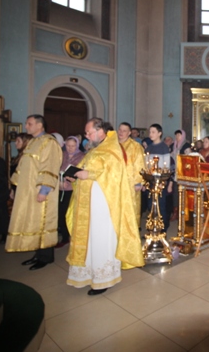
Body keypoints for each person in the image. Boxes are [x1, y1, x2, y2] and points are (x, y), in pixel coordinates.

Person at [66, 118, 144, 295]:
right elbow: (84, 167)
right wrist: (75, 175)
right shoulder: (95, 149)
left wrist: (89, 174)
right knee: (89, 237)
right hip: (87, 202)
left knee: (101, 238)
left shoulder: (112, 148)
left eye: (89, 132)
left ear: (100, 131)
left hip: (103, 203)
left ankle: (103, 279)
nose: (86, 136)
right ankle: (86, 275)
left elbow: (113, 173)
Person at [6, 114, 62, 271]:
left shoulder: (49, 142)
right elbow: (23, 167)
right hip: (28, 190)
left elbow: (50, 166)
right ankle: (37, 254)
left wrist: (44, 190)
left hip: (40, 190)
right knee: (33, 221)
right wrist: (15, 188)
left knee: (43, 222)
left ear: (39, 125)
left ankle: (46, 257)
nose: (26, 126)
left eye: (29, 124)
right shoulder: (33, 142)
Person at [57, 136, 85, 248]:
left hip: (73, 190)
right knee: (60, 213)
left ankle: (70, 236)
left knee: (69, 214)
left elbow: (82, 172)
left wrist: (71, 180)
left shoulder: (82, 156)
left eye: (73, 146)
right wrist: (59, 181)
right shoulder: (62, 154)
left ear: (77, 145)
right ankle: (64, 236)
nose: (70, 148)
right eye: (68, 145)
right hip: (60, 188)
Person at [146, 123, 172, 231]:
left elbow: (167, 166)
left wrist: (163, 181)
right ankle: (153, 228)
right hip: (150, 181)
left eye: (153, 132)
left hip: (160, 181)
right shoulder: (149, 147)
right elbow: (146, 165)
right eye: (150, 132)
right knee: (150, 205)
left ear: (159, 133)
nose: (150, 134)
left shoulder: (164, 147)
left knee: (161, 205)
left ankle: (162, 228)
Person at [118, 122, 145, 226]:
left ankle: (131, 232)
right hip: (115, 182)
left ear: (129, 133)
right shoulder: (113, 145)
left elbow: (140, 164)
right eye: (120, 130)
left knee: (129, 209)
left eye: (124, 131)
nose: (121, 132)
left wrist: (138, 182)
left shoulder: (135, 146)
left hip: (130, 183)